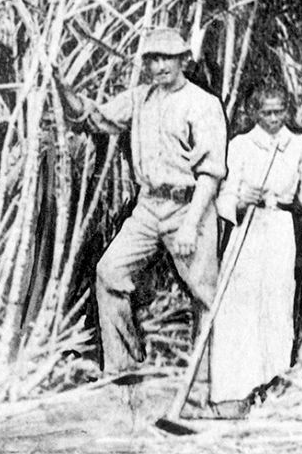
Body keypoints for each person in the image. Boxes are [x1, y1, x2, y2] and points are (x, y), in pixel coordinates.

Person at [53, 27, 227, 375]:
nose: (159, 65)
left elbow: (211, 173)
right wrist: (60, 84)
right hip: (149, 207)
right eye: (152, 58)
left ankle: (211, 377)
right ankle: (123, 368)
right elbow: (94, 118)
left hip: (189, 206)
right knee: (110, 272)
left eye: (167, 58)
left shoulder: (203, 104)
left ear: (183, 61)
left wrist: (191, 225)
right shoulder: (139, 98)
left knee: (205, 293)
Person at [209, 83, 302, 418]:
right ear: (253, 112)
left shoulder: (298, 146)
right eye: (266, 112)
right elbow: (223, 197)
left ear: (287, 110)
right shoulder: (240, 145)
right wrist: (240, 201)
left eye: (279, 111)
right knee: (237, 309)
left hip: (280, 231)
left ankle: (271, 386)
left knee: (276, 305)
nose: (273, 118)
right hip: (246, 234)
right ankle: (233, 392)